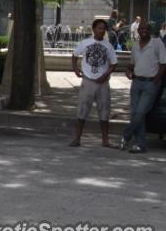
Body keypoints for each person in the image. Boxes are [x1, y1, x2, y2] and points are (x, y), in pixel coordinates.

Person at [70, 19, 118, 148]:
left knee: (104, 111)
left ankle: (105, 140)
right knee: (82, 110)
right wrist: (75, 68)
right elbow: (74, 55)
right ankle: (77, 138)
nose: (101, 31)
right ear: (94, 29)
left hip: (103, 83)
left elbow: (114, 64)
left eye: (103, 28)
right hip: (88, 81)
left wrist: (105, 75)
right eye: (99, 28)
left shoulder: (108, 46)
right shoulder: (85, 43)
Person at [120, 22, 166, 153]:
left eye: (146, 29)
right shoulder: (135, 46)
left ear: (150, 31)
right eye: (141, 29)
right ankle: (140, 145)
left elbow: (164, 64)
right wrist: (128, 71)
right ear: (138, 31)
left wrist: (156, 81)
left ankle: (125, 135)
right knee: (136, 114)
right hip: (136, 83)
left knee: (140, 112)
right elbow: (132, 64)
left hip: (150, 83)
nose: (143, 31)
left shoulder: (157, 43)